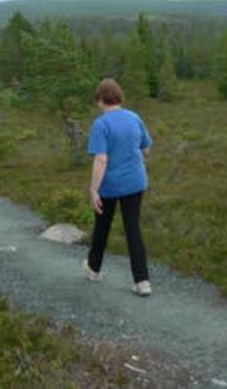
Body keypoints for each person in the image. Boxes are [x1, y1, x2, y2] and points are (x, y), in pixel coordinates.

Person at [83, 78, 153, 296]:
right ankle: (142, 282)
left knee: (102, 227)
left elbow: (101, 159)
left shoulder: (101, 124)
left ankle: (93, 270)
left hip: (110, 186)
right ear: (118, 97)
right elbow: (146, 148)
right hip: (135, 182)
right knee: (133, 229)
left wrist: (94, 189)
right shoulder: (134, 117)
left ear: (101, 100)